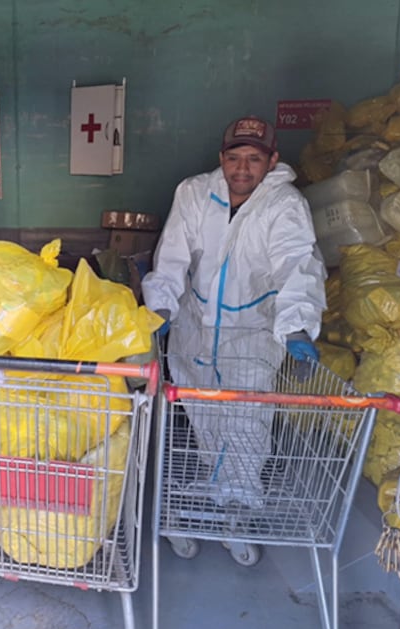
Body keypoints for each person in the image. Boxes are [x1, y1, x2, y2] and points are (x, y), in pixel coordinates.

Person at [141, 115, 326, 507]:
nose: (242, 168)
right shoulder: (194, 193)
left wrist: (296, 326)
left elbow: (296, 265)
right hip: (196, 324)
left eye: (254, 159)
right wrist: (160, 308)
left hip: (252, 328)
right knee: (203, 409)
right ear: (221, 158)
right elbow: (172, 258)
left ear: (272, 160)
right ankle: (219, 486)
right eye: (234, 157)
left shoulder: (284, 204)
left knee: (245, 413)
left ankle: (240, 495)